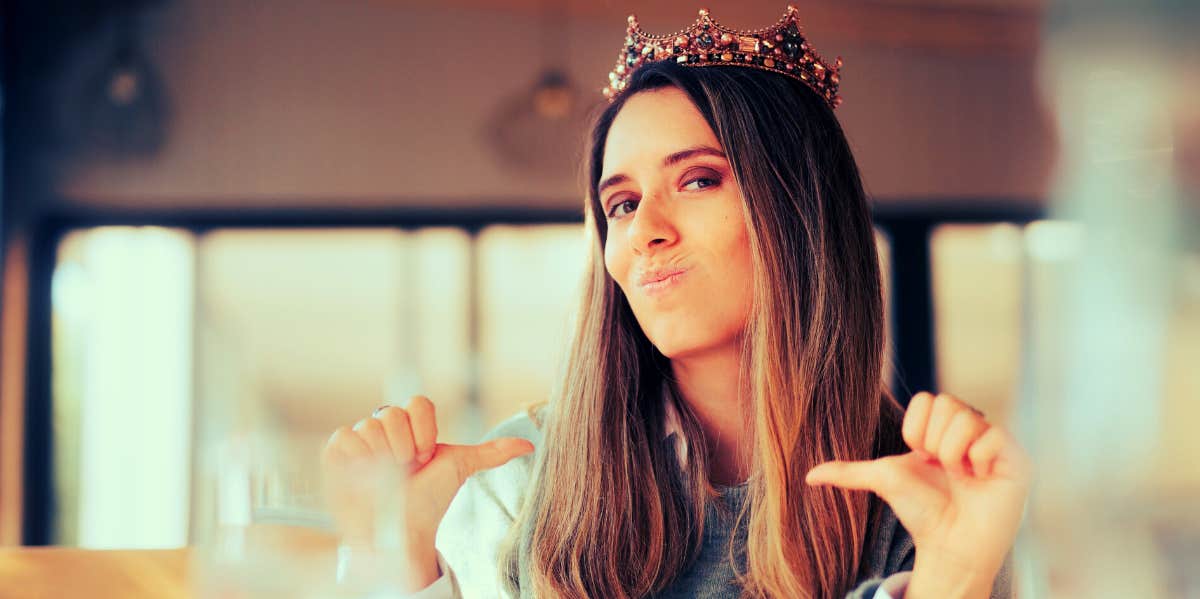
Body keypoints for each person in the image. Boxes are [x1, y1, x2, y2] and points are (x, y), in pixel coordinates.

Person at [321, 6, 1032, 598]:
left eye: (697, 180)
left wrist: (957, 577)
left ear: (799, 209)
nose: (645, 234)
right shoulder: (517, 482)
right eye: (622, 203)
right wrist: (394, 557)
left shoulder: (921, 497)